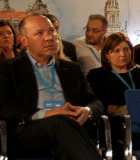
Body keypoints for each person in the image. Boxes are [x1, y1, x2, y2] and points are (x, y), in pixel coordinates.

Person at [0, 14, 102, 159]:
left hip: (71, 129)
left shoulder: (72, 69)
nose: (49, 37)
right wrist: (47, 113)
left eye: (51, 31)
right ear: (24, 40)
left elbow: (95, 102)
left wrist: (87, 110)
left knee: (64, 145)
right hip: (30, 131)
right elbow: (4, 106)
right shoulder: (9, 68)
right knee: (60, 122)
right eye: (39, 33)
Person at [87, 32, 140, 160]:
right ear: (107, 54)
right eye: (116, 51)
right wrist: (107, 108)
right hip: (115, 121)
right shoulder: (97, 75)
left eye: (126, 50)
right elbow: (93, 102)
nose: (123, 54)